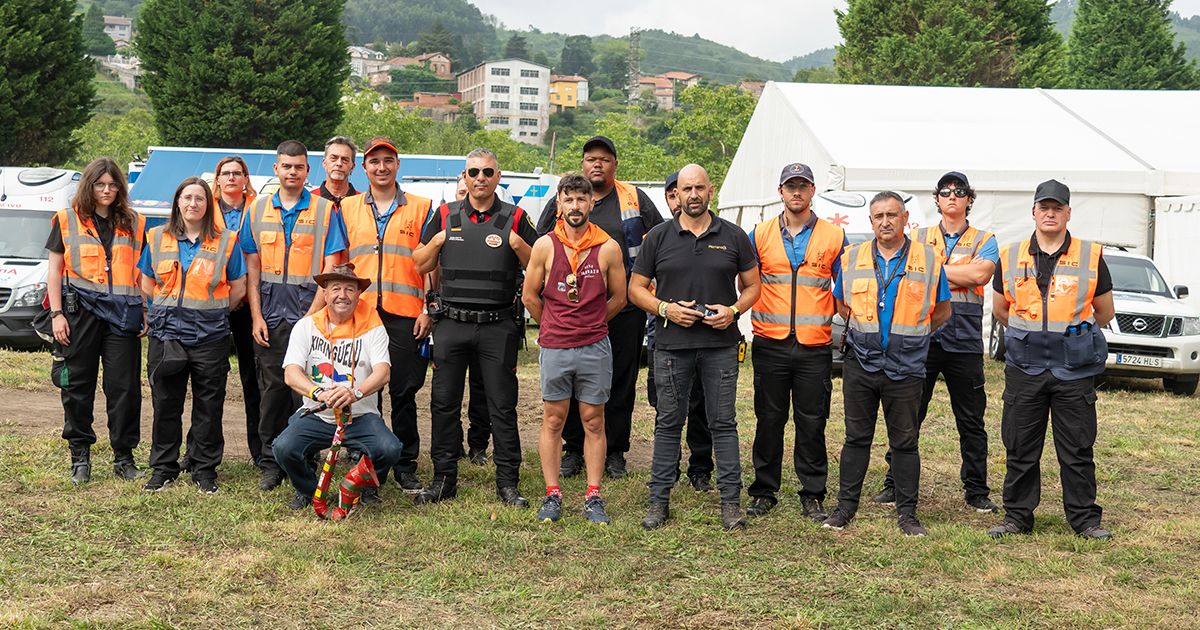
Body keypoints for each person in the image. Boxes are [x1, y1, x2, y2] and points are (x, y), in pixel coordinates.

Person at [629, 164, 761, 531]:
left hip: (720, 345)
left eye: (699, 188)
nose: (692, 195)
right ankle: (658, 502)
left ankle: (731, 504)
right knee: (668, 423)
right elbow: (635, 289)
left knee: (723, 424)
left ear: (710, 190)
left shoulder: (733, 236)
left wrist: (733, 310)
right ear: (677, 194)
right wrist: (665, 309)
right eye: (686, 189)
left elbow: (753, 286)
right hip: (671, 346)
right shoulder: (657, 236)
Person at [988, 179, 1115, 541]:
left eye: (1057, 208)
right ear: (1033, 212)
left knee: (1076, 447)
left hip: (1073, 369)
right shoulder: (1010, 256)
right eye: (1044, 207)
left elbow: (1104, 312)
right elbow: (1001, 309)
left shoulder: (1091, 255)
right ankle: (1017, 517)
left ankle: (1085, 520)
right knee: (1020, 445)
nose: (1050, 213)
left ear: (1068, 213)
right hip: (1025, 366)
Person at [413, 148, 538, 507]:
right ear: (464, 178)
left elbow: (542, 264)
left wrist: (518, 246)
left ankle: (508, 483)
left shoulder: (516, 218)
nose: (480, 178)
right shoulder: (444, 215)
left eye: (487, 172)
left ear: (498, 177)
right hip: (452, 324)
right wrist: (437, 242)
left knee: (502, 405)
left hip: (498, 326)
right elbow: (418, 263)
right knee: (443, 403)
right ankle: (443, 479)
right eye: (473, 172)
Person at [823, 192, 951, 536]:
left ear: (905, 217)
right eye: (878, 216)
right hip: (861, 364)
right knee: (856, 439)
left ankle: (908, 514)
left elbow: (941, 311)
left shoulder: (928, 258)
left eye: (892, 215)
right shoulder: (852, 258)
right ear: (870, 221)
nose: (885, 222)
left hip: (906, 366)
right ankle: (845, 508)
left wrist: (910, 335)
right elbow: (842, 305)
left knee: (905, 442)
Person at [536, 135, 663, 480]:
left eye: (605, 159)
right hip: (570, 318)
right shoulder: (563, 200)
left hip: (622, 309)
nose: (597, 164)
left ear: (615, 165)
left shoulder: (634, 198)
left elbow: (659, 240)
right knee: (570, 388)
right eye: (591, 158)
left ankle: (616, 451)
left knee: (620, 382)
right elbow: (541, 244)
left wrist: (601, 317)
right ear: (582, 164)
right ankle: (574, 449)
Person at [875, 171, 1000, 513]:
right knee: (908, 415)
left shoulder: (984, 238)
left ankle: (976, 491)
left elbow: (980, 275)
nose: (952, 197)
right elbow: (904, 271)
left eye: (959, 192)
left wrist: (932, 269)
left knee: (971, 421)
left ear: (969, 199)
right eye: (946, 192)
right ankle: (894, 483)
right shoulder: (919, 235)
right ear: (937, 199)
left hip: (964, 343)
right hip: (923, 338)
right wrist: (954, 271)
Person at [241, 140, 349, 494]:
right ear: (276, 169)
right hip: (269, 317)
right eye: (286, 166)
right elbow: (252, 271)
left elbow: (331, 268)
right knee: (272, 391)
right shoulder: (256, 211)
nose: (292, 172)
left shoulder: (324, 211)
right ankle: (271, 464)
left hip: (311, 316)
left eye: (299, 167)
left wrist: (311, 317)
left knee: (309, 392)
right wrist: (256, 316)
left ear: (307, 170)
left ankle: (306, 459)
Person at [332, 136, 433, 497]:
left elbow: (432, 263)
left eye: (388, 160)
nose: (381, 167)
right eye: (374, 161)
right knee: (360, 391)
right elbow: (340, 262)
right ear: (365, 168)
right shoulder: (347, 208)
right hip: (361, 315)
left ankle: (405, 463)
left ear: (397, 164)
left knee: (404, 391)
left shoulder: (421, 207)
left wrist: (427, 309)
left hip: (406, 314)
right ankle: (364, 458)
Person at [523, 173, 626, 524]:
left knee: (593, 419)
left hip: (595, 346)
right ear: (559, 203)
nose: (575, 206)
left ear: (591, 203)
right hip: (555, 346)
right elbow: (529, 295)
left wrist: (593, 322)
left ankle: (593, 495)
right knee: (553, 418)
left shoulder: (609, 247)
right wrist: (553, 325)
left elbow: (620, 297)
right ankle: (552, 494)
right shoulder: (544, 246)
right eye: (569, 199)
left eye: (582, 199)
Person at [746, 163, 847, 522]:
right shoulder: (758, 234)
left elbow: (845, 287)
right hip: (770, 342)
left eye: (803, 185)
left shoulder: (834, 236)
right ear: (781, 192)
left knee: (812, 420)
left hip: (814, 345)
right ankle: (763, 491)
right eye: (791, 186)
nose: (797, 192)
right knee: (769, 419)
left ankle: (813, 493)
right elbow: (746, 282)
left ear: (812, 190)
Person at [138, 177, 247, 493]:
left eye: (200, 198)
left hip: (209, 337)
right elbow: (147, 281)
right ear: (177, 202)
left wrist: (211, 312)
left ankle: (204, 469)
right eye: (187, 198)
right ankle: (163, 468)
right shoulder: (157, 237)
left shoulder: (227, 241)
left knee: (209, 407)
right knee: (165, 405)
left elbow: (238, 287)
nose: (193, 204)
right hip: (166, 336)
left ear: (208, 204)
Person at [46, 157, 147, 484]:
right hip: (80, 314)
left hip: (123, 316)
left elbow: (144, 272)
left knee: (125, 389)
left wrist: (146, 310)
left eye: (113, 184)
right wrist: (57, 314)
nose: (107, 190)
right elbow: (54, 270)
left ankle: (124, 457)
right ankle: (80, 457)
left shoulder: (135, 222)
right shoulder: (66, 220)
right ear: (88, 186)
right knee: (77, 386)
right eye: (100, 184)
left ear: (120, 188)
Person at [274, 264, 401, 512]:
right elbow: (290, 374)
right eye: (335, 289)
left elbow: (383, 372)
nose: (342, 295)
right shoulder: (306, 326)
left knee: (389, 448)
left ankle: (360, 486)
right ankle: (308, 489)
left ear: (358, 294)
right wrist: (318, 393)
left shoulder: (373, 326)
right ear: (324, 293)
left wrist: (355, 393)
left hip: (360, 416)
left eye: (349, 289)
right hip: (317, 414)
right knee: (283, 447)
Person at [645, 170, 714, 491]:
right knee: (666, 406)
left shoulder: (717, 233)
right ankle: (666, 468)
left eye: (691, 189)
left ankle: (700, 468)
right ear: (670, 198)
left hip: (707, 336)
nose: (683, 197)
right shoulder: (657, 237)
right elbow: (639, 287)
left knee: (701, 405)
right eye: (675, 193)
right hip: (663, 333)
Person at [212, 155, 263, 465]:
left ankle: (260, 451)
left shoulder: (259, 209)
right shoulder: (204, 207)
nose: (231, 178)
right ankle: (202, 450)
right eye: (225, 173)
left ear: (246, 178)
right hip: (213, 303)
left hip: (249, 305)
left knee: (253, 378)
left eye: (237, 173)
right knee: (209, 378)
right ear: (217, 180)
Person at [313, 136, 360, 207]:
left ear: (352, 167)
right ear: (324, 163)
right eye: (333, 158)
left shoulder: (363, 203)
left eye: (345, 160)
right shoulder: (309, 200)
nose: (339, 163)